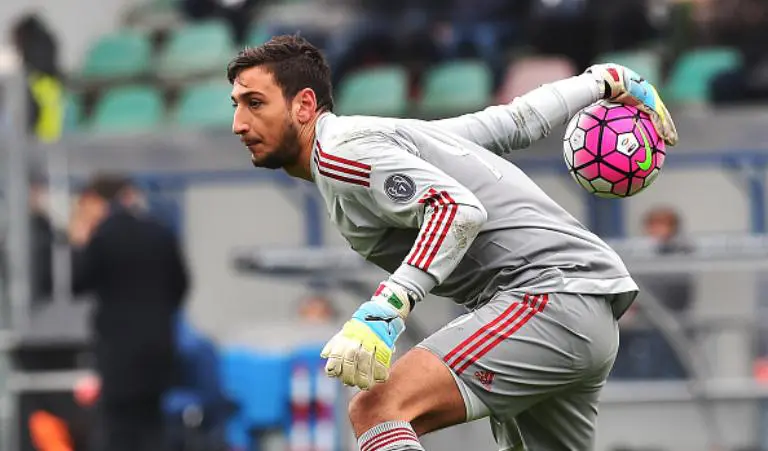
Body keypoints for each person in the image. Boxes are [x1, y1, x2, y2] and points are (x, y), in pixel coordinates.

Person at [227, 35, 678, 450]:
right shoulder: (381, 137)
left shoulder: (343, 152)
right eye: (236, 105)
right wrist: (602, 81)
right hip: (584, 310)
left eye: (254, 103)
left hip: (547, 297)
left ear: (305, 104)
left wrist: (385, 309)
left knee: (377, 410)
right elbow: (512, 123)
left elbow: (456, 209)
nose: (238, 123)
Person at [67, 174, 189, 451]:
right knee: (152, 426)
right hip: (158, 347)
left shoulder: (103, 237)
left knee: (118, 429)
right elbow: (181, 285)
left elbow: (77, 283)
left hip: (118, 353)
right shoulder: (161, 233)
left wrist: (78, 243)